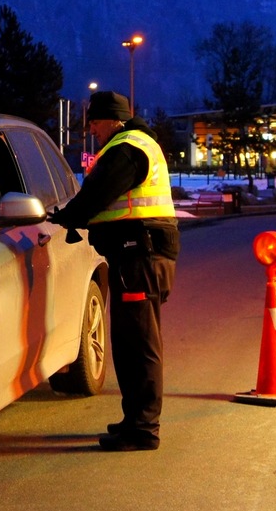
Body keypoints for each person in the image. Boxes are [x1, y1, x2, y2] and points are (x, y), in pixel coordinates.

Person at [47, 90, 180, 452]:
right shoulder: (133, 143)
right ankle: (135, 421)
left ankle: (143, 429)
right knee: (131, 343)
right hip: (139, 256)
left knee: (138, 346)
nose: (91, 127)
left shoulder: (126, 147)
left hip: (141, 257)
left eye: (95, 120)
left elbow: (97, 194)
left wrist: (65, 217)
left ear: (113, 119)